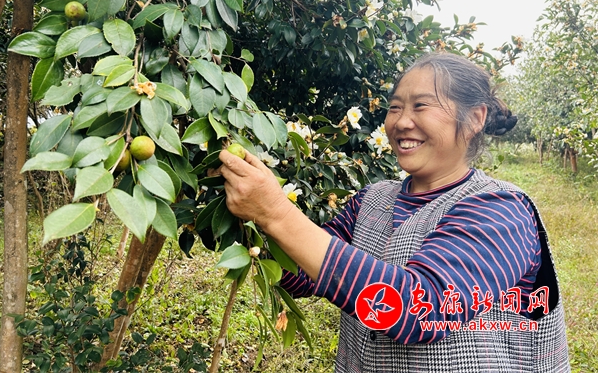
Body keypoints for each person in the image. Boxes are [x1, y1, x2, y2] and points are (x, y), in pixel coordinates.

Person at [219, 52, 569, 372]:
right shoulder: (371, 199)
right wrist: (246, 215)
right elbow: (301, 275)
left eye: (421, 106)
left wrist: (277, 213)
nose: (401, 122)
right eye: (395, 107)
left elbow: (421, 310)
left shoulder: (502, 211)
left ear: (475, 118)